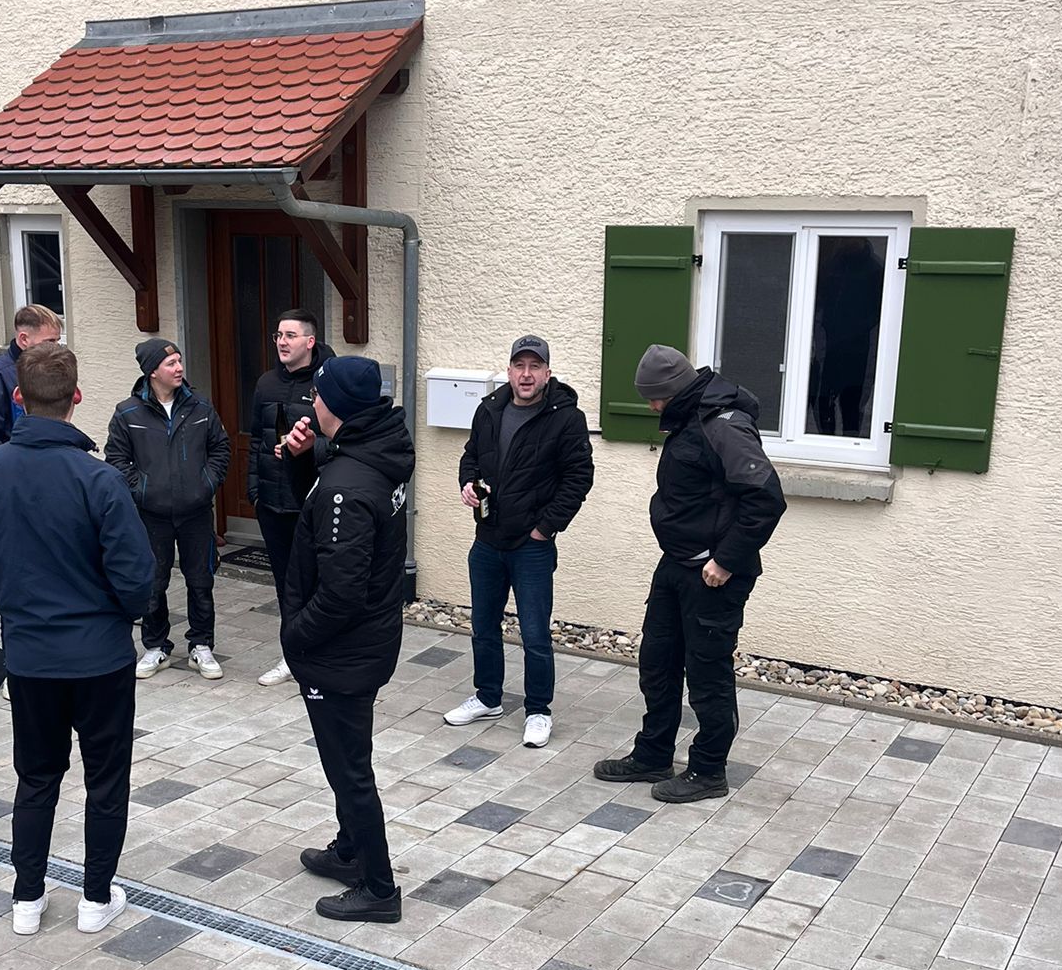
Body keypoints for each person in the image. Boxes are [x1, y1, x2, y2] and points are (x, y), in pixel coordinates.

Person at [0, 342, 155, 938]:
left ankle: (27, 898)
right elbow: (137, 579)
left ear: (19, 398)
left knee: (37, 778)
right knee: (106, 780)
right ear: (77, 397)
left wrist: (18, 597)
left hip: (32, 656)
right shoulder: (100, 479)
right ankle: (96, 898)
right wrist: (111, 612)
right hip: (100, 657)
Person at [595, 344, 786, 803]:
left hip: (713, 574)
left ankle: (708, 770)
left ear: (674, 390)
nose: (650, 406)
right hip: (676, 564)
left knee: (707, 674)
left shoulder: (724, 425)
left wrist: (726, 561)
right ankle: (653, 755)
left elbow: (767, 499)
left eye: (654, 397)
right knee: (657, 663)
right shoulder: (688, 419)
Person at [281, 355, 415, 924]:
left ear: (336, 405)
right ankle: (349, 849)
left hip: (341, 653)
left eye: (318, 395)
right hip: (364, 643)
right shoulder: (371, 453)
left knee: (349, 770)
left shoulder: (347, 487)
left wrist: (295, 638)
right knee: (346, 758)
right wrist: (303, 458)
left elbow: (340, 594)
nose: (311, 402)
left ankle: (379, 887)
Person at [445, 334, 594, 749]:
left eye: (535, 366)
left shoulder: (566, 418)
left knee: (534, 634)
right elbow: (471, 455)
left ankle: (538, 711)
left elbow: (579, 479)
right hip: (487, 538)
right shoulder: (489, 409)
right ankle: (488, 698)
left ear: (547, 373)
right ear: (509, 371)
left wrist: (545, 528)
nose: (526, 374)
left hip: (532, 545)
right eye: (519, 366)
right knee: (482, 626)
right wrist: (468, 483)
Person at [106, 338, 230, 682]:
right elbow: (116, 459)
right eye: (171, 363)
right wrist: (142, 490)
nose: (179, 368)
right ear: (152, 372)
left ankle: (201, 645)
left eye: (179, 360)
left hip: (196, 512)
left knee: (201, 580)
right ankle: (156, 646)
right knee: (152, 582)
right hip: (150, 515)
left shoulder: (200, 407)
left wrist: (206, 483)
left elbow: (220, 448)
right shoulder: (127, 412)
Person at [246, 307, 332, 687]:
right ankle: (292, 656)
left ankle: (323, 655)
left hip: (312, 503)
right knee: (286, 585)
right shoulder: (266, 383)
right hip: (272, 503)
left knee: (319, 582)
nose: (282, 342)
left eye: (290, 335)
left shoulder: (329, 381)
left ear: (310, 341)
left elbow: (342, 440)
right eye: (278, 335)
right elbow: (255, 440)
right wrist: (254, 490)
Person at [0, 303, 63, 462]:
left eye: (57, 341)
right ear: (24, 339)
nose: (56, 348)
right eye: (49, 341)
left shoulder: (48, 370)